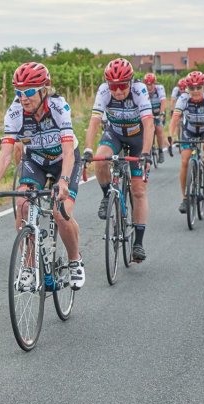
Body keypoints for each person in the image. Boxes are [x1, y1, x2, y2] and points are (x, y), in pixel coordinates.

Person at [0, 62, 85, 290]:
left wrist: (64, 180)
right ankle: (29, 267)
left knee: (60, 212)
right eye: (19, 92)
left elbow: (68, 151)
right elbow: (5, 153)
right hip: (36, 161)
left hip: (64, 161)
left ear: (44, 89)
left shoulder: (59, 107)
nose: (23, 98)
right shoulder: (15, 112)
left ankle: (75, 260)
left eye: (30, 91)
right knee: (22, 205)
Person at [83, 58, 154, 262]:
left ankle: (138, 243)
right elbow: (94, 121)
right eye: (113, 86)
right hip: (115, 134)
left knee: (138, 190)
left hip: (138, 138)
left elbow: (149, 124)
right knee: (100, 159)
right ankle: (107, 195)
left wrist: (146, 153)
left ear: (130, 82)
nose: (118, 91)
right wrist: (88, 150)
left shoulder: (139, 90)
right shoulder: (104, 91)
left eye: (122, 85)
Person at [169, 71, 204, 213]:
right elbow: (175, 118)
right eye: (192, 88)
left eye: (199, 87)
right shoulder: (183, 98)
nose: (195, 91)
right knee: (185, 161)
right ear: (187, 88)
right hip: (189, 130)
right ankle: (185, 198)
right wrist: (170, 135)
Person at [143, 73, 168, 163]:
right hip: (147, 113)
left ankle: (160, 151)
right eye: (147, 84)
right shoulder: (142, 90)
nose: (149, 87)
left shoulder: (159, 88)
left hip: (158, 111)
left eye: (151, 84)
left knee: (159, 129)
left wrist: (162, 113)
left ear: (155, 83)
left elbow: (163, 101)